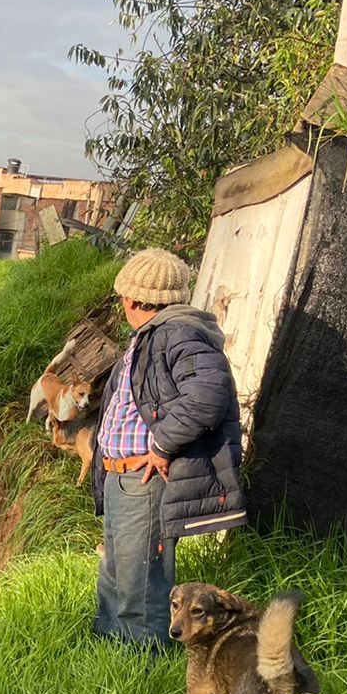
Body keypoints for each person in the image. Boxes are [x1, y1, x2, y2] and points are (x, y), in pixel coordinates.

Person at [91, 247, 246, 646]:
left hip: (143, 480)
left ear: (131, 298)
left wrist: (160, 446)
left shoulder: (177, 334)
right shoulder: (151, 336)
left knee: (141, 584)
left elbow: (208, 395)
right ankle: (106, 652)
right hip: (121, 475)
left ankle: (142, 664)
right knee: (116, 574)